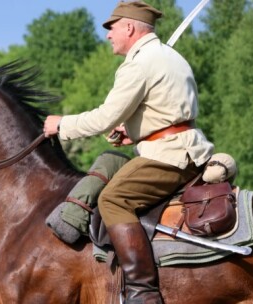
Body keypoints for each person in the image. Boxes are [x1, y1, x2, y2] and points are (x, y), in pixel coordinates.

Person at [44, 1, 214, 303]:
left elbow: (104, 117)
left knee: (113, 199)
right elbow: (170, 111)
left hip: (169, 155)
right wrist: (134, 130)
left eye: (111, 27)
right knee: (110, 161)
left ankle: (142, 291)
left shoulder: (139, 64)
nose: (108, 34)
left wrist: (61, 125)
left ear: (129, 27)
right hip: (184, 148)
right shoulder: (170, 57)